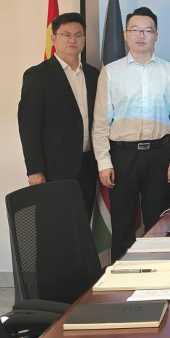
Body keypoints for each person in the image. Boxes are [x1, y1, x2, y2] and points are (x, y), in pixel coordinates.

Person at [92, 7, 170, 261]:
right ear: (125, 34)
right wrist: (104, 162)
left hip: (159, 154)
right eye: (135, 30)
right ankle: (121, 277)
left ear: (156, 36)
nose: (141, 36)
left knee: (159, 222)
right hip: (123, 156)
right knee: (122, 225)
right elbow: (101, 122)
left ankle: (160, 273)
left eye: (147, 30)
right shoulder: (111, 71)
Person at [18, 12, 99, 218]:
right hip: (54, 168)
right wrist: (35, 170)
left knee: (82, 224)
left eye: (78, 35)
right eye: (66, 35)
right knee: (56, 224)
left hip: (88, 165)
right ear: (53, 39)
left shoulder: (93, 75)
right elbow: (29, 126)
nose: (73, 40)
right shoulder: (38, 75)